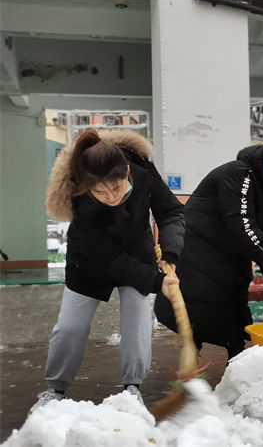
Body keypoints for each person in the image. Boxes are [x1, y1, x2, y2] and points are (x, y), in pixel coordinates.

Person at [33, 129, 184, 411]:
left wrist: (171, 253)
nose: (111, 197)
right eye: (100, 192)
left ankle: (132, 387)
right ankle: (55, 389)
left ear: (127, 172)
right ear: (86, 187)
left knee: (137, 321)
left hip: (138, 254)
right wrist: (155, 280)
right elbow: (109, 259)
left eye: (116, 187)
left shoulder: (143, 176)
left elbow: (172, 212)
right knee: (69, 328)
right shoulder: (80, 201)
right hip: (90, 263)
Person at [154, 145, 263, 359]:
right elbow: (241, 223)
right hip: (200, 242)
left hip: (231, 246)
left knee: (235, 293)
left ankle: (235, 352)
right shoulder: (239, 175)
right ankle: (195, 344)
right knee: (201, 294)